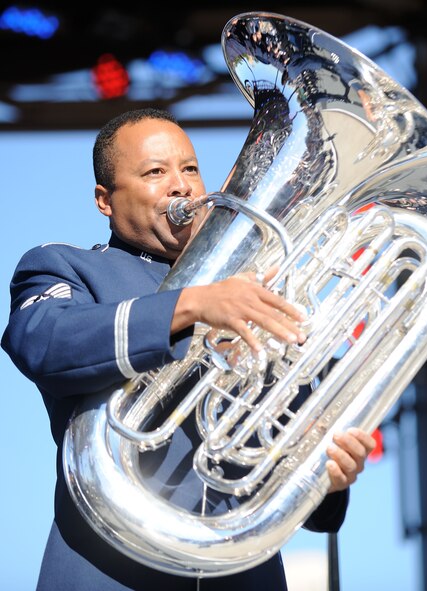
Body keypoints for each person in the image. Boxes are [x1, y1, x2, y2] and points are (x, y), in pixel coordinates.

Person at [1, 107, 376, 591]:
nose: (181, 187)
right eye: (155, 172)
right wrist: (193, 305)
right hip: (109, 571)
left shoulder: (252, 292)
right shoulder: (65, 266)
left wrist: (327, 469)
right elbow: (44, 341)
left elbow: (296, 477)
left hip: (241, 572)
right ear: (104, 200)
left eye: (190, 169)